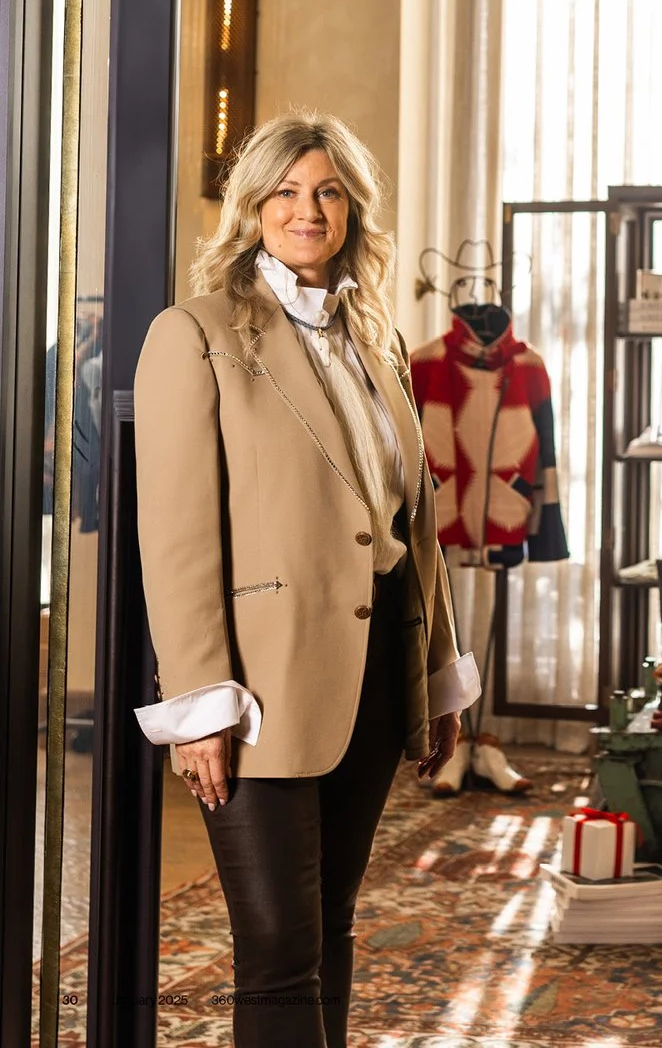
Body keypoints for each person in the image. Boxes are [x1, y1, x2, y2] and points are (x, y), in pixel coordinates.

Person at [132, 112, 477, 1048]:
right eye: (285, 191)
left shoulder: (378, 343)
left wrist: (436, 677)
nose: (307, 209)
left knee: (327, 930)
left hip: (369, 679)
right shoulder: (193, 335)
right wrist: (200, 700)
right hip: (257, 691)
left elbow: (415, 525)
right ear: (252, 208)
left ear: (352, 209)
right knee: (279, 947)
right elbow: (176, 536)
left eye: (326, 191)